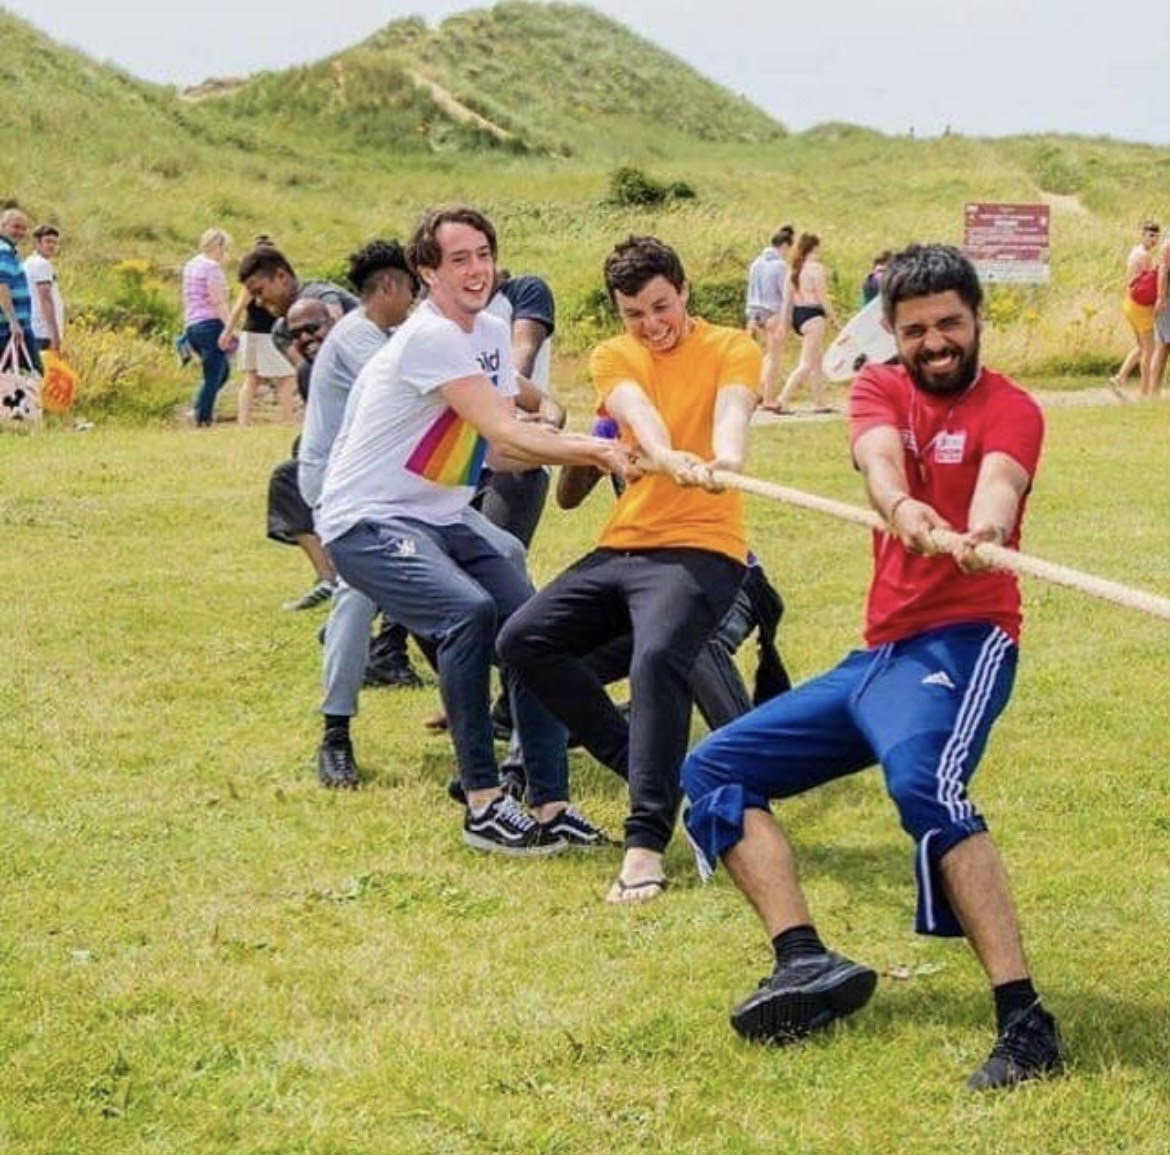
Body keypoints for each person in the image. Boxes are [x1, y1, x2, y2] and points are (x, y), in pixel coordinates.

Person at [681, 244, 1062, 1092]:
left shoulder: (1013, 407)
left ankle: (1027, 1021)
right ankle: (804, 961)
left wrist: (986, 534)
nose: (935, 342)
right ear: (892, 330)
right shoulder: (878, 387)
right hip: (880, 656)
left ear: (977, 322)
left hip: (965, 640)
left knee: (926, 784)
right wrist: (903, 508)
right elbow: (881, 464)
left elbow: (1000, 484)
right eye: (917, 328)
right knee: (714, 766)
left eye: (950, 325)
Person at [316, 205, 630, 850]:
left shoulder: (489, 332)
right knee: (468, 612)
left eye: (483, 254)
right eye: (458, 258)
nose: (476, 269)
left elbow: (504, 450)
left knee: (538, 632)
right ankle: (484, 802)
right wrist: (597, 450)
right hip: (366, 518)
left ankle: (549, 807)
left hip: (439, 512)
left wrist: (573, 438)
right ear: (426, 271)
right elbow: (509, 433)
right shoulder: (429, 337)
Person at [497, 234, 760, 901]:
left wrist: (724, 460)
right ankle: (650, 770)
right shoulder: (617, 355)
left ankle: (645, 844)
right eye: (634, 313)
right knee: (524, 640)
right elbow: (634, 407)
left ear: (683, 290)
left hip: (704, 547)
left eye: (660, 306)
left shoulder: (733, 346)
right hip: (627, 545)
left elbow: (734, 408)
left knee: (656, 659)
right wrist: (667, 452)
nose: (651, 324)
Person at [295, 240, 424, 787]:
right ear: (392, 286)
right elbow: (420, 393)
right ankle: (335, 736)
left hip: (381, 480)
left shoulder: (374, 333)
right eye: (414, 292)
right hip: (338, 483)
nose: (416, 305)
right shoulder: (359, 339)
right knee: (357, 590)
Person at [474, 270, 559, 548]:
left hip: (517, 453)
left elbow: (523, 348)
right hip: (462, 457)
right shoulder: (444, 316)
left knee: (500, 555)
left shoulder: (525, 291)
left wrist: (505, 409)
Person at [236, 245, 357, 361]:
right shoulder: (280, 333)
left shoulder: (317, 296)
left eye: (259, 291)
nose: (258, 303)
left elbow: (337, 334)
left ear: (281, 276)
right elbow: (305, 373)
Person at [223, 236, 297, 425]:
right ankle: (288, 421)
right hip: (267, 334)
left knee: (251, 381)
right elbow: (238, 307)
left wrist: (228, 331)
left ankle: (243, 422)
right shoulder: (260, 282)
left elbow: (238, 309)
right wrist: (227, 331)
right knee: (285, 379)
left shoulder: (251, 284)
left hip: (251, 333)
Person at [769, 232, 836, 414]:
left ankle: (819, 402)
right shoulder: (816, 269)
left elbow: (787, 301)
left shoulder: (793, 269)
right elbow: (823, 297)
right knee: (806, 363)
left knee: (816, 360)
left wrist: (785, 324)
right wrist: (834, 318)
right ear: (814, 247)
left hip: (799, 314)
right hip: (813, 314)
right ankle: (782, 399)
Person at [181, 228, 232, 426]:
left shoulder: (191, 265)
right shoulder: (212, 268)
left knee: (222, 371)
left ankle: (198, 406)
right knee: (213, 374)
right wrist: (229, 327)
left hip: (193, 324)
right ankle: (203, 417)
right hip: (211, 324)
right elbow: (218, 301)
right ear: (219, 246)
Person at [745, 226, 794, 408]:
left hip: (754, 312)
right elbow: (786, 294)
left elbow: (750, 291)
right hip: (772, 311)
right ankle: (769, 398)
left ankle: (756, 392)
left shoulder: (756, 263)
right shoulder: (781, 266)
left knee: (762, 355)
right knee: (774, 357)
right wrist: (786, 319)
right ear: (784, 245)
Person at [1112, 221, 1160, 398]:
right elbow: (1152, 284)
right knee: (1150, 350)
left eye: (1156, 236)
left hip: (1129, 303)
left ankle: (1120, 378)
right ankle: (1144, 391)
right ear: (1143, 235)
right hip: (1140, 307)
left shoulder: (1136, 251)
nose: (1154, 239)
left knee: (1141, 347)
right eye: (1150, 235)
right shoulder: (1144, 256)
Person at [0, 207, 41, 374]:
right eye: (16, 227)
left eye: (24, 228)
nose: (20, 232)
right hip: (8, 328)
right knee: (33, 376)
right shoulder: (3, 251)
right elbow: (1, 286)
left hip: (14, 327)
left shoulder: (9, 251)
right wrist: (13, 322)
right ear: (2, 226)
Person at [23, 224, 65, 356]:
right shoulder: (41, 264)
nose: (52, 246)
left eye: (54, 242)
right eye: (48, 241)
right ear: (37, 243)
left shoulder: (29, 262)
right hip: (43, 331)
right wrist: (55, 335)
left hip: (34, 328)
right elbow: (46, 299)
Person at [1150, 230, 1170, 393]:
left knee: (1162, 347)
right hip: (1167, 301)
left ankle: (1154, 391)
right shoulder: (1168, 245)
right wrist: (1161, 297)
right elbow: (1162, 271)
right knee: (1162, 346)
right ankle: (1153, 390)